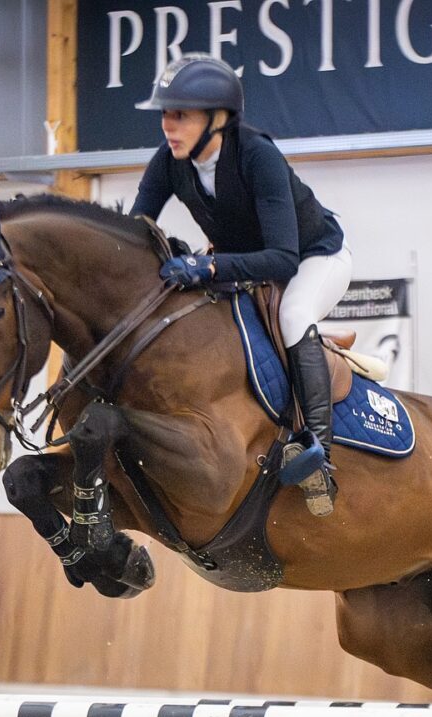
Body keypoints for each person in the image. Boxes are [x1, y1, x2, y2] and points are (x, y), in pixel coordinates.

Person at [130, 53, 351, 518]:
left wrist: (207, 268)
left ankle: (318, 454)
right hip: (248, 267)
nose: (168, 126)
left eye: (181, 115)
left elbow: (283, 258)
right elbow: (135, 230)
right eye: (165, 114)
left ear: (219, 118)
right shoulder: (170, 162)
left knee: (293, 315)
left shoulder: (257, 155)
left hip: (315, 259)